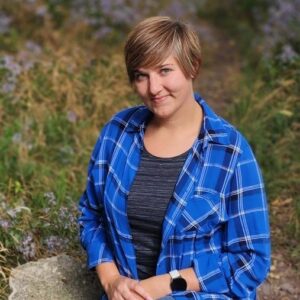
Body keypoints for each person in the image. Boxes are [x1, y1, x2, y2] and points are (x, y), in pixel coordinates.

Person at [78, 16, 271, 300]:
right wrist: (111, 280)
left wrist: (167, 284)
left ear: (193, 66)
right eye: (141, 75)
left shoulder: (230, 152)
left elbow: (251, 260)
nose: (154, 88)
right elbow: (91, 215)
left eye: (165, 70)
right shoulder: (117, 133)